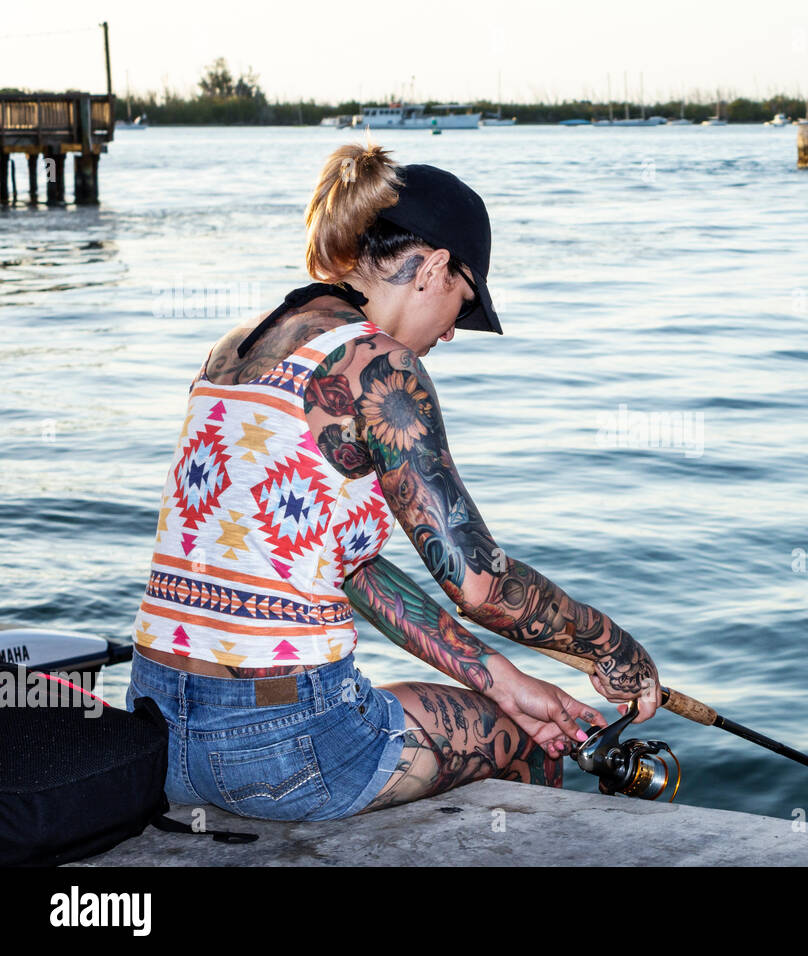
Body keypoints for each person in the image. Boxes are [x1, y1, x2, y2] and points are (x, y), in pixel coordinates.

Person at [125, 140, 661, 821]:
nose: (454, 333)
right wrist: (614, 651)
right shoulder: (378, 366)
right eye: (463, 304)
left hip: (160, 731)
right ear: (434, 267)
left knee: (513, 709)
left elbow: (353, 570)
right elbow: (483, 586)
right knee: (533, 745)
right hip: (286, 748)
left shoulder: (234, 349)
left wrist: (502, 679)